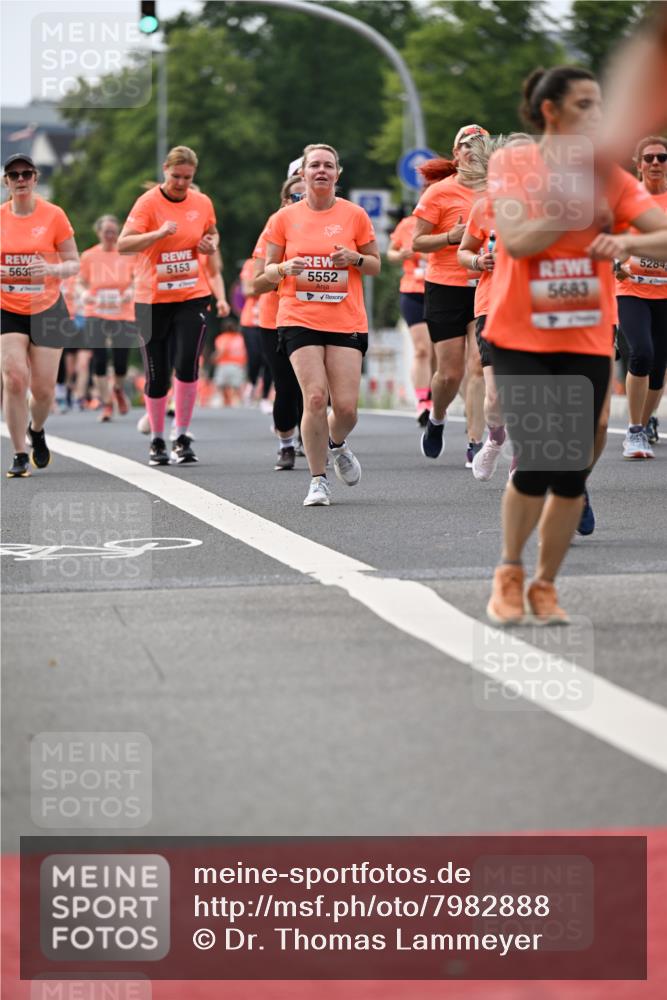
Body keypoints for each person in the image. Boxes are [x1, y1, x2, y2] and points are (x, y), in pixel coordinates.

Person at [484, 66, 667, 625]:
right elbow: (517, 239)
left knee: (571, 472)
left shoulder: (607, 173)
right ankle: (509, 573)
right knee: (542, 457)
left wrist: (628, 237)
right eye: (587, 104)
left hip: (585, 331)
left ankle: (544, 584)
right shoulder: (513, 162)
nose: (599, 115)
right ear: (552, 111)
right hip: (519, 331)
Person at [263, 143, 380, 506]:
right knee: (314, 397)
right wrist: (284, 269)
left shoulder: (355, 215)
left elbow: (375, 264)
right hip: (298, 316)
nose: (321, 171)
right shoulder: (283, 219)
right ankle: (318, 480)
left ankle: (337, 443)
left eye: (328, 166)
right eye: (315, 165)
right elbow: (264, 272)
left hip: (345, 317)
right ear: (303, 173)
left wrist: (355, 258)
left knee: (345, 408)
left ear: (337, 174)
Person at [117, 145, 219, 465]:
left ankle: (182, 435)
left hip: (192, 294)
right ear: (165, 170)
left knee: (187, 361)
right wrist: (158, 234)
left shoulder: (201, 202)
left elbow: (213, 234)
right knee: (157, 374)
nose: (181, 183)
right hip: (152, 298)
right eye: (176, 176)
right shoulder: (147, 204)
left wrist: (209, 244)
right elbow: (124, 244)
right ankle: (158, 438)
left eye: (187, 178)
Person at [412, 125, 490, 467]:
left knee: (478, 365)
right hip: (444, 286)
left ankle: (475, 442)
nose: (472, 151)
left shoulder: (499, 193)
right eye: (465, 146)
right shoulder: (438, 193)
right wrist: (450, 237)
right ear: (455, 154)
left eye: (479, 145)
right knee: (450, 373)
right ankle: (438, 417)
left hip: (485, 285)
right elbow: (417, 242)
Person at [458, 133, 533, 482]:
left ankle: (521, 456)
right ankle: (495, 438)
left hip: (534, 306)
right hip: (492, 304)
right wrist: (477, 259)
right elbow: (463, 252)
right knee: (495, 395)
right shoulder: (485, 206)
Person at [1, 153, 79, 477]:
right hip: (8, 308)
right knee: (15, 378)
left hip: (47, 308)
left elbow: (74, 262)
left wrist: (51, 268)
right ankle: (19, 453)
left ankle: (37, 428)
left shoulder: (53, 215)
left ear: (34, 179)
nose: (21, 180)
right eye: (14, 175)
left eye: (26, 174)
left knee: (44, 390)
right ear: (6, 181)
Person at [613, 135, 667, 460]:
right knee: (641, 354)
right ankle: (634, 431)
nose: (656, 164)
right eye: (649, 158)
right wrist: (614, 264)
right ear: (638, 163)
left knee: (658, 369)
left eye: (663, 157)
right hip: (631, 289)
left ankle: (645, 424)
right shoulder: (625, 201)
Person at [251, 172, 306, 471]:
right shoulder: (274, 228)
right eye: (297, 196)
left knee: (313, 387)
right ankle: (286, 442)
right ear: (285, 201)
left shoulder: (326, 225)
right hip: (275, 320)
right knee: (286, 386)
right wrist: (281, 271)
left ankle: (311, 438)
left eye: (307, 195)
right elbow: (254, 284)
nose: (303, 201)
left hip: (316, 316)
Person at [77, 214, 135, 422]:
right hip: (96, 310)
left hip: (122, 311)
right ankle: (107, 403)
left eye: (113, 231)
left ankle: (118, 389)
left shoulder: (128, 253)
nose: (110, 236)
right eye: (106, 232)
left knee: (121, 361)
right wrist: (84, 293)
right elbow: (81, 281)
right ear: (99, 232)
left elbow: (138, 278)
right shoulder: (89, 256)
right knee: (99, 358)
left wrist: (131, 290)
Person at [387, 210, 432, 425]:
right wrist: (402, 254)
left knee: (442, 356)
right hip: (413, 291)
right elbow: (391, 253)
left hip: (442, 292)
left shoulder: (451, 224)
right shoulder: (408, 224)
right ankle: (423, 401)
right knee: (422, 349)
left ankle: (449, 400)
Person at [213, 318, 247, 406]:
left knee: (222, 386)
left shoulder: (221, 338)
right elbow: (245, 352)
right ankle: (236, 404)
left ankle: (224, 402)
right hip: (238, 365)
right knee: (236, 389)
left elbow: (221, 351)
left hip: (224, 365)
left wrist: (213, 358)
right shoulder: (240, 338)